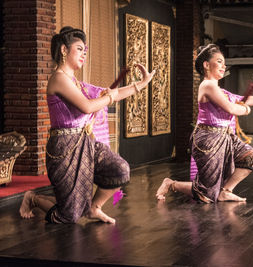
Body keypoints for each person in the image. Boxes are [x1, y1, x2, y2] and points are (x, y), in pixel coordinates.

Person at [19, 26, 155, 224]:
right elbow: (87, 107)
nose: (84, 54)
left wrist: (140, 84)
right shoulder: (58, 78)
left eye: (85, 50)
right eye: (80, 48)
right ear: (64, 50)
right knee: (69, 216)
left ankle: (94, 208)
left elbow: (111, 94)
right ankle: (33, 198)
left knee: (120, 169)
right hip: (64, 148)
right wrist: (109, 98)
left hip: (85, 143)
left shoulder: (78, 84)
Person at [156, 44, 253, 203]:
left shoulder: (219, 90)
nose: (224, 66)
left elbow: (240, 99)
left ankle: (226, 191)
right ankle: (171, 184)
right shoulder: (207, 86)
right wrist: (246, 110)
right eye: (220, 62)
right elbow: (231, 107)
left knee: (252, 159)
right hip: (208, 139)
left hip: (225, 137)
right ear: (206, 65)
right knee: (207, 195)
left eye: (224, 63)